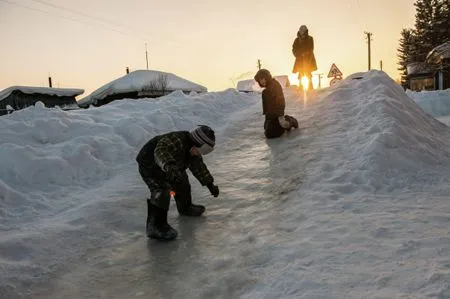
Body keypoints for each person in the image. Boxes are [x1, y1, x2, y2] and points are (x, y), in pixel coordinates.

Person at [136, 125, 220, 241]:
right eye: (204, 150)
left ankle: (185, 207)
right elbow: (161, 150)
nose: (202, 153)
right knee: (162, 190)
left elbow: (199, 168)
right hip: (150, 164)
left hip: (171, 166)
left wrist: (210, 184)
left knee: (182, 181)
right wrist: (169, 167)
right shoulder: (177, 140)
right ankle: (155, 226)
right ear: (197, 142)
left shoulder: (193, 152)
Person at [254, 69, 299, 139]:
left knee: (272, 133)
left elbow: (280, 101)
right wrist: (267, 119)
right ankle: (279, 125)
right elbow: (267, 107)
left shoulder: (275, 85)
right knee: (268, 131)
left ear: (267, 77)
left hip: (278, 114)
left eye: (263, 78)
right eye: (260, 80)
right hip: (271, 116)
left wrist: (280, 117)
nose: (262, 81)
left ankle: (290, 121)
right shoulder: (266, 91)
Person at [292, 25, 317, 91]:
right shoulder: (296, 40)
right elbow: (294, 48)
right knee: (300, 72)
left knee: (308, 71)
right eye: (301, 30)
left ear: (305, 31)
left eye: (303, 30)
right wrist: (297, 54)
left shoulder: (310, 38)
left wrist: (305, 53)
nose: (302, 32)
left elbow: (311, 48)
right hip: (299, 59)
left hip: (308, 58)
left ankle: (310, 85)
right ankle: (300, 85)